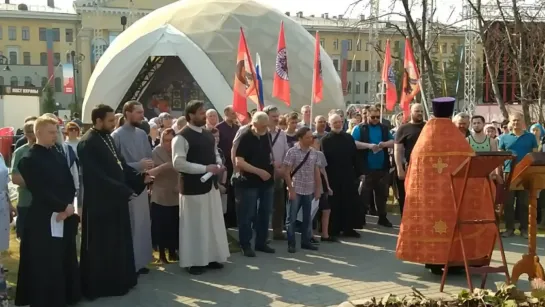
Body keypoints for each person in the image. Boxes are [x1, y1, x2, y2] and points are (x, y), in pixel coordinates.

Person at [396, 97, 497, 275]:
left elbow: (414, 170)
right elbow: (471, 166)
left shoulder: (425, 139)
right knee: (454, 225)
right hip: (453, 195)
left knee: (432, 224)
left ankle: (433, 262)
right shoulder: (457, 139)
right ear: (450, 114)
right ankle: (456, 261)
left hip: (430, 197)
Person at [78, 104, 150, 300]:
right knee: (102, 246)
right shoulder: (87, 142)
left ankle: (121, 281)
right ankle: (102, 287)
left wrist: (138, 178)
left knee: (119, 242)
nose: (113, 124)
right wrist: (123, 190)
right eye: (110, 121)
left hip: (115, 202)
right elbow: (97, 176)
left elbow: (121, 166)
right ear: (98, 121)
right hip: (100, 205)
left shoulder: (107, 138)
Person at [15, 115, 80, 307]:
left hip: (63, 214)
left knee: (64, 256)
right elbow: (40, 190)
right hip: (43, 217)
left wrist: (68, 208)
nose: (55, 136)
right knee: (46, 261)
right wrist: (62, 207)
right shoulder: (29, 159)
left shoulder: (57, 153)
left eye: (56, 132)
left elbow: (69, 183)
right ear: (39, 133)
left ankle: (66, 295)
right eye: (51, 132)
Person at [172, 100, 230, 275]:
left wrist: (218, 165)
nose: (204, 115)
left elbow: (215, 154)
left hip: (210, 187)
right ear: (190, 115)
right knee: (195, 225)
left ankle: (211, 257)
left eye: (204, 112)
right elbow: (178, 163)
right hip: (192, 189)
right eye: (200, 112)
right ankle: (194, 261)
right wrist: (205, 169)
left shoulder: (208, 135)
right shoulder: (181, 137)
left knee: (212, 223)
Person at [111, 101, 154, 274]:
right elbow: (116, 165)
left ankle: (141, 262)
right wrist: (138, 165)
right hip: (128, 187)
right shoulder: (117, 136)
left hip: (142, 184)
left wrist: (147, 168)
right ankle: (130, 264)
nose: (142, 116)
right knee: (131, 225)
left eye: (142, 112)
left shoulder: (143, 134)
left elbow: (148, 156)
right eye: (138, 112)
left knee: (143, 224)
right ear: (127, 113)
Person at [235, 112, 276, 257]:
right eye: (262, 126)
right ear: (254, 124)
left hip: (267, 181)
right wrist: (259, 171)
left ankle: (261, 242)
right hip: (249, 182)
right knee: (247, 214)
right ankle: (245, 244)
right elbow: (239, 161)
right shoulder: (246, 136)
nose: (265, 128)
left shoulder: (267, 135)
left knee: (265, 213)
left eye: (266, 126)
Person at [321, 113, 363, 238]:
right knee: (334, 203)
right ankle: (333, 229)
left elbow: (355, 156)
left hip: (348, 176)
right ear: (330, 124)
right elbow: (324, 161)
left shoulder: (348, 138)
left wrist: (360, 172)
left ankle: (348, 228)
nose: (338, 124)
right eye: (335, 123)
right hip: (332, 176)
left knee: (349, 202)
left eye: (339, 122)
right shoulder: (325, 140)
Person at [352, 106, 395, 227]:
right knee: (364, 195)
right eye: (373, 117)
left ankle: (382, 217)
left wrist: (384, 144)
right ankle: (361, 218)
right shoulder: (360, 128)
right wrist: (369, 146)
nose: (376, 119)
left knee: (382, 195)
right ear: (367, 116)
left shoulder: (384, 129)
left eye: (377, 116)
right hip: (366, 167)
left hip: (382, 167)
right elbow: (354, 143)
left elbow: (394, 142)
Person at [499, 112, 538, 238]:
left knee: (524, 203)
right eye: (513, 120)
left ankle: (524, 229)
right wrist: (499, 174)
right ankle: (509, 229)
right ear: (510, 122)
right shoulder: (504, 138)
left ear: (523, 122)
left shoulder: (531, 137)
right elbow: (499, 158)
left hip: (526, 174)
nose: (516, 123)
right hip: (508, 173)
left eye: (518, 120)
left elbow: (535, 156)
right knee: (508, 203)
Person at [283, 127, 321, 253]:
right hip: (296, 189)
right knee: (292, 218)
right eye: (308, 137)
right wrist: (291, 189)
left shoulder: (314, 152)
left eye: (311, 137)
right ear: (300, 138)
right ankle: (291, 243)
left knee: (307, 218)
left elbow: (316, 171)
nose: (311, 139)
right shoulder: (292, 152)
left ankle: (305, 242)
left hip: (309, 189)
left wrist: (318, 188)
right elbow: (286, 172)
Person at [148, 128, 179, 264]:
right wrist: (164, 166)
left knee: (174, 224)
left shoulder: (178, 151)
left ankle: (172, 252)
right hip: (160, 194)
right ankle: (161, 254)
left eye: (171, 140)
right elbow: (150, 173)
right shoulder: (156, 152)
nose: (168, 143)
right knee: (160, 225)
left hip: (175, 193)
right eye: (166, 141)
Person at [394, 104, 425, 215]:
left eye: (421, 111)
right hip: (409, 168)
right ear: (410, 112)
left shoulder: (428, 127)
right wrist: (399, 169)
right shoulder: (403, 129)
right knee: (406, 197)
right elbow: (398, 150)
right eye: (417, 111)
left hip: (425, 170)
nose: (420, 113)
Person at [11, 120, 35, 241]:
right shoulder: (20, 152)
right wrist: (35, 185)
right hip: (26, 201)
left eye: (34, 130)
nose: (32, 134)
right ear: (25, 134)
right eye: (29, 131)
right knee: (25, 239)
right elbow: (15, 177)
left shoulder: (51, 150)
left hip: (45, 204)